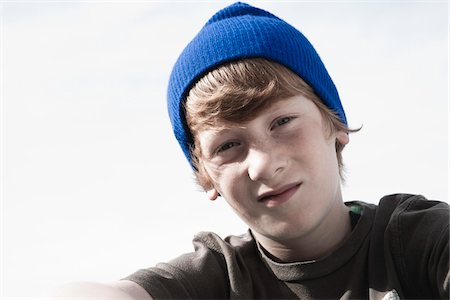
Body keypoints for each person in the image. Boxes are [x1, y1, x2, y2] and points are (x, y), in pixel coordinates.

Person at [53, 2, 449, 299]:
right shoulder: (218, 278)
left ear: (334, 124)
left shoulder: (418, 241)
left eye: (281, 123)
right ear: (206, 176)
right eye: (228, 145)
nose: (263, 164)